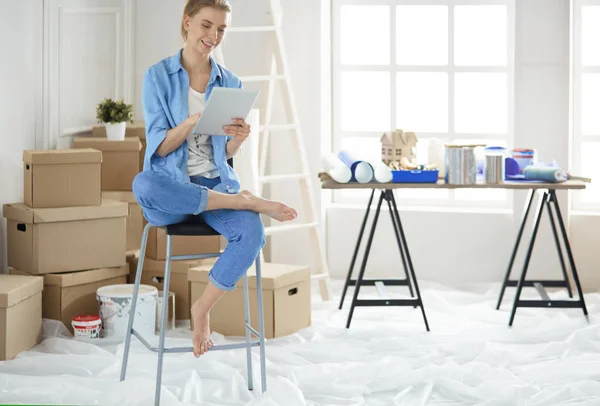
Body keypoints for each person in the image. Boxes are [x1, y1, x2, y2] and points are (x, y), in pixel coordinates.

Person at [132, 0, 297, 358]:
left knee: (253, 233)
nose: (213, 36)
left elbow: (223, 156)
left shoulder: (230, 82)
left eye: (221, 29)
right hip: (172, 191)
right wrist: (192, 121)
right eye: (207, 25)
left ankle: (202, 309)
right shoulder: (157, 77)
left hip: (213, 186)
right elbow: (159, 149)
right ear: (187, 22)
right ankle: (244, 200)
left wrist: (238, 138)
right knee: (143, 184)